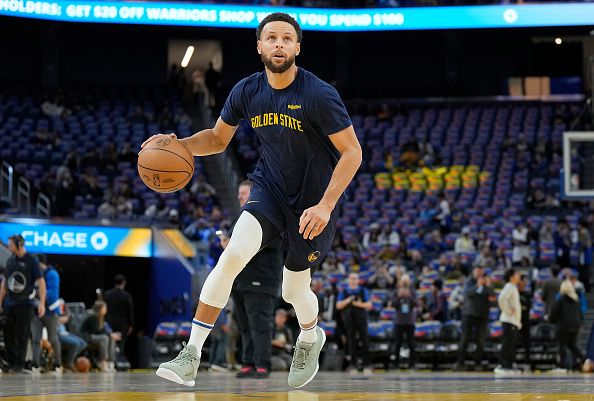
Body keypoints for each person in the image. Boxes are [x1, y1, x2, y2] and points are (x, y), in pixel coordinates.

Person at [144, 12, 362, 389]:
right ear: (259, 45)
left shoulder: (318, 94)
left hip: (313, 204)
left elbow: (353, 153)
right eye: (272, 38)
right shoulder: (247, 91)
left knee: (293, 290)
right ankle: (190, 355)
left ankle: (310, 336)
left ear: (297, 47)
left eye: (286, 39)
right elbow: (216, 140)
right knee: (231, 257)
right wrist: (178, 145)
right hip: (269, 190)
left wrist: (326, 205)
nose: (279, 44)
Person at [227, 180, 283, 379]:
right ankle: (248, 362)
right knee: (244, 326)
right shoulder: (241, 217)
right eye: (239, 194)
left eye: (244, 193)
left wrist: (235, 244)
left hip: (261, 280)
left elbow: (270, 243)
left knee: (260, 325)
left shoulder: (268, 215)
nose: (240, 197)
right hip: (241, 280)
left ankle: (262, 364)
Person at [0, 234, 46, 373]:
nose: (8, 247)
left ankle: (19, 363)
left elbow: (41, 282)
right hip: (10, 303)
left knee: (22, 334)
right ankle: (11, 361)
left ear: (19, 244)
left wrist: (42, 303)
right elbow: (5, 282)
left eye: (11, 244)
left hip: (25, 303)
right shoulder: (10, 260)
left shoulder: (31, 260)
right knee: (8, 333)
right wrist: (0, 301)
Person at [454, 275, 494, 371]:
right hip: (469, 315)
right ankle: (460, 362)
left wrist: (488, 285)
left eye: (484, 278)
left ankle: (478, 363)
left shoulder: (487, 289)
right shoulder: (470, 286)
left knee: (480, 340)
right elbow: (469, 294)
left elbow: (493, 299)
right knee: (465, 339)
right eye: (481, 278)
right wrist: (478, 286)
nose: (483, 280)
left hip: (482, 316)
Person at [30, 255, 62, 373]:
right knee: (36, 339)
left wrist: (38, 293)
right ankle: (35, 364)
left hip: (50, 312)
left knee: (53, 338)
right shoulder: (33, 274)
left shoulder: (52, 274)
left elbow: (52, 294)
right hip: (36, 312)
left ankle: (57, 364)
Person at [336, 273, 372, 373]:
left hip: (361, 319)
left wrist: (357, 303)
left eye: (355, 278)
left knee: (364, 340)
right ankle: (353, 365)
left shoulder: (362, 290)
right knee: (351, 342)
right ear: (348, 280)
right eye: (351, 278)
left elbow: (369, 305)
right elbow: (338, 305)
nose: (353, 280)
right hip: (349, 320)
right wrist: (348, 300)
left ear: (358, 280)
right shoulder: (344, 291)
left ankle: (367, 365)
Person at [550, 280, 584, 371]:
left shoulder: (561, 299)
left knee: (562, 346)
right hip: (576, 326)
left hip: (563, 326)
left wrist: (552, 321)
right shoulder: (576, 299)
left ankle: (562, 366)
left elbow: (553, 314)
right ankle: (584, 359)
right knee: (572, 345)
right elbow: (581, 314)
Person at [80, 300, 121, 372]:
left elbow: (102, 330)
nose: (106, 309)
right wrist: (110, 334)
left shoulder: (101, 317)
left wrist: (111, 334)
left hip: (94, 335)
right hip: (87, 336)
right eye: (105, 308)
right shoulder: (92, 316)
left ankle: (110, 362)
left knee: (111, 338)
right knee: (104, 338)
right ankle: (103, 362)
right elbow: (96, 331)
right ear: (100, 308)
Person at [495, 268, 522, 374]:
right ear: (511, 276)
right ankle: (501, 365)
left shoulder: (513, 287)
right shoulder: (509, 286)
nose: (519, 275)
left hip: (513, 321)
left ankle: (508, 365)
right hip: (508, 320)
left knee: (511, 344)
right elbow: (501, 299)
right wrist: (507, 310)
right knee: (507, 343)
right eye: (517, 273)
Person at [104, 274, 134, 358]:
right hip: (122, 324)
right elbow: (130, 311)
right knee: (121, 344)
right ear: (123, 283)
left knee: (110, 342)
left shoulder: (107, 294)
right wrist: (131, 324)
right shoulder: (127, 295)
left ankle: (110, 361)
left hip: (109, 322)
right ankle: (118, 360)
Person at [391, 276, 417, 369]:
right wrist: (399, 297)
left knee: (411, 343)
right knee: (398, 343)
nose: (405, 283)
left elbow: (416, 303)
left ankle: (412, 364)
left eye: (407, 281)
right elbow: (393, 304)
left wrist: (408, 296)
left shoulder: (412, 292)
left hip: (410, 321)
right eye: (403, 281)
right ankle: (395, 364)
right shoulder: (396, 292)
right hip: (399, 321)